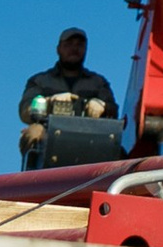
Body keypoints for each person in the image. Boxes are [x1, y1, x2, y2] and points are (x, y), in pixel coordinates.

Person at [18, 27, 119, 164]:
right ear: (58, 49)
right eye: (69, 44)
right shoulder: (40, 81)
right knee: (33, 134)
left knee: (119, 149)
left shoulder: (98, 82)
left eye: (80, 45)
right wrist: (49, 102)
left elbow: (114, 112)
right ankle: (33, 175)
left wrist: (102, 106)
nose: (74, 49)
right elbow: (25, 111)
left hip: (89, 133)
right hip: (48, 131)